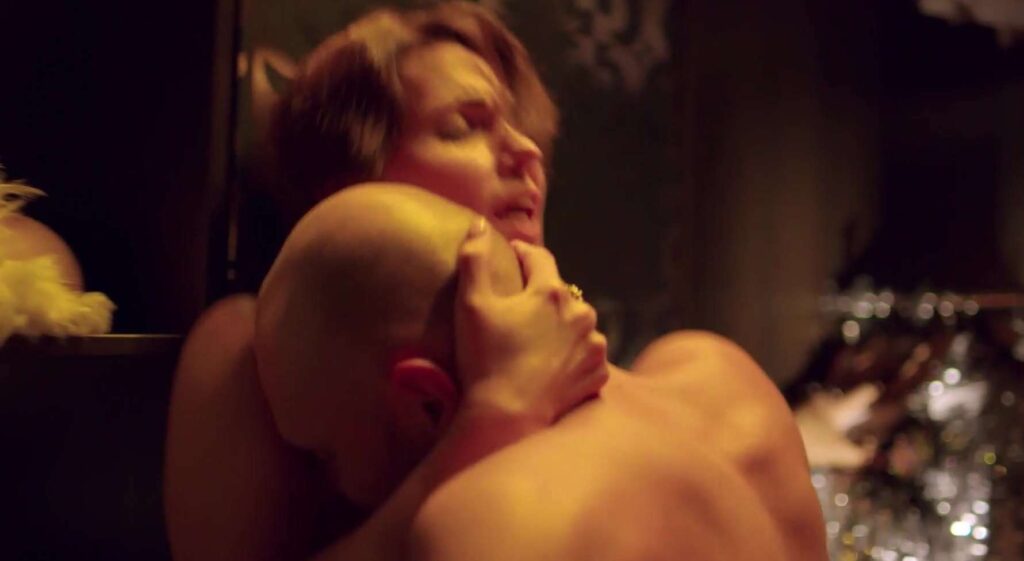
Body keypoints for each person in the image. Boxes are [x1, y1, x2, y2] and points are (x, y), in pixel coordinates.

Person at [163, 3, 826, 560]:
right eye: (464, 127)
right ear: (347, 184)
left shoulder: (706, 377)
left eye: (517, 124)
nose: (526, 150)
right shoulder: (250, 343)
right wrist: (491, 421)